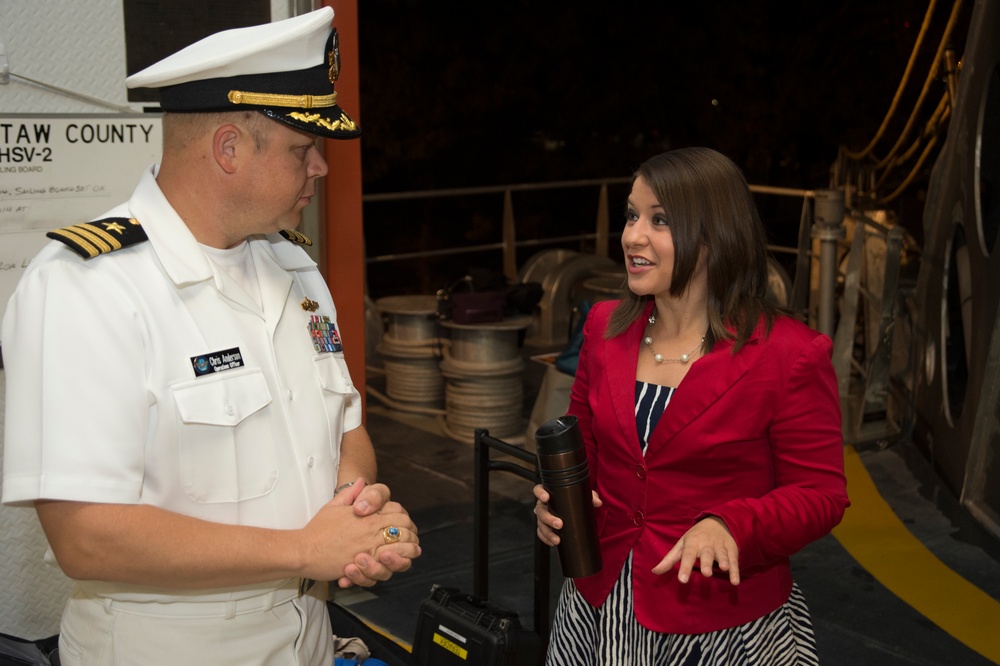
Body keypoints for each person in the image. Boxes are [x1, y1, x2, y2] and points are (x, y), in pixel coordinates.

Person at [1, 8, 419, 666]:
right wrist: (308, 551)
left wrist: (357, 518)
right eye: (302, 149)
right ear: (228, 149)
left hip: (304, 640)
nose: (321, 169)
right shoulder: (87, 285)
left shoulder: (296, 270)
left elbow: (346, 433)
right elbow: (86, 536)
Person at [533, 147, 850, 665]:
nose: (633, 236)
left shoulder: (790, 354)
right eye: (632, 215)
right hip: (597, 603)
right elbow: (584, 450)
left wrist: (732, 525)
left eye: (659, 220)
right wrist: (554, 503)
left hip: (720, 623)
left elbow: (821, 494)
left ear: (713, 237)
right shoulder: (603, 327)